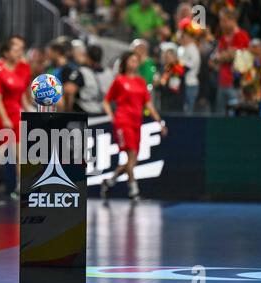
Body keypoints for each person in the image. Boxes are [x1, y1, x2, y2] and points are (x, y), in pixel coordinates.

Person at [101, 51, 167, 201]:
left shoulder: (140, 81)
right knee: (131, 156)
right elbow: (106, 100)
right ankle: (134, 192)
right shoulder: (119, 80)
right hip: (123, 121)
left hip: (137, 122)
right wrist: (112, 117)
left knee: (133, 160)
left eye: (136, 60)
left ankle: (109, 181)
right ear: (125, 63)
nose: (134, 63)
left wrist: (159, 121)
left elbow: (148, 103)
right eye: (131, 60)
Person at [0, 42, 31, 203]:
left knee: (20, 155)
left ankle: (21, 189)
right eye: (16, 50)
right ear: (6, 52)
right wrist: (4, 119)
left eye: (20, 50)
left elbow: (22, 94)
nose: (19, 53)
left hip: (16, 116)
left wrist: (29, 109)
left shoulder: (23, 68)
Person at [210, 7, 250, 115]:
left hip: (236, 85)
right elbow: (214, 60)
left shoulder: (242, 35)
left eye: (224, 20)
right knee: (220, 116)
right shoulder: (223, 38)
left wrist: (222, 56)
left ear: (232, 20)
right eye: (220, 20)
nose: (221, 23)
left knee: (235, 116)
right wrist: (225, 55)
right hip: (222, 82)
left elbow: (235, 56)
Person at [64, 44, 113, 114]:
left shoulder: (82, 72)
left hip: (85, 110)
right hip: (103, 112)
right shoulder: (109, 73)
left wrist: (68, 110)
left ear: (87, 56)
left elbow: (69, 90)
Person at [178, 18, 202, 114]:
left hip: (191, 84)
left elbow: (191, 64)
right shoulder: (183, 48)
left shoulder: (192, 48)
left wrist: (179, 66)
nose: (182, 38)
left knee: (189, 111)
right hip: (184, 84)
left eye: (184, 36)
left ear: (190, 36)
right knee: (184, 109)